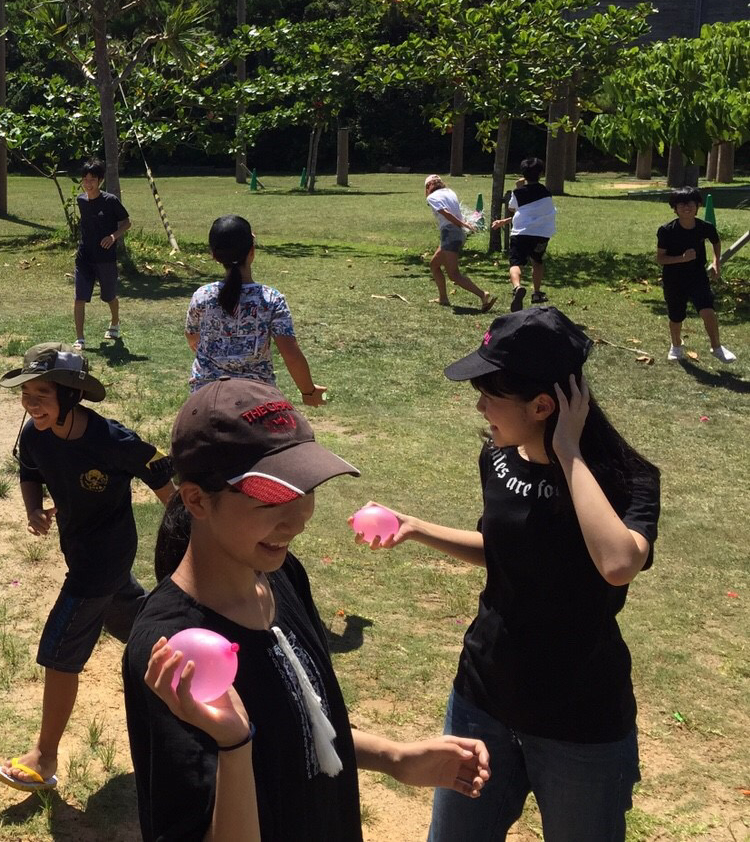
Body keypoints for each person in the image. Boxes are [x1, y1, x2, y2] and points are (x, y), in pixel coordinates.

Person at [125, 378, 491, 841]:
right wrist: (234, 746)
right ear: (197, 499)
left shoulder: (281, 577)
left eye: (305, 489)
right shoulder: (174, 651)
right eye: (272, 499)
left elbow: (299, 726)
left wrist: (393, 757)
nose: (298, 519)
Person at [359, 307, 659, 841]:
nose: (479, 406)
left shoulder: (626, 478)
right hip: (484, 698)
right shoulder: (498, 457)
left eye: (490, 395)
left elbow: (617, 564)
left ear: (543, 405)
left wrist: (566, 451)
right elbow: (509, 552)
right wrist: (417, 527)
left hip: (580, 722)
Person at [0, 343, 175, 793]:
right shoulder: (35, 435)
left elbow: (159, 475)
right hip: (79, 548)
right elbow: (30, 471)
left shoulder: (111, 441)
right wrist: (33, 509)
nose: (30, 403)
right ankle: (195, 665)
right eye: (26, 393)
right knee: (141, 629)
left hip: (106, 554)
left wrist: (187, 532)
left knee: (60, 650)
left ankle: (44, 756)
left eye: (41, 394)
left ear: (70, 397)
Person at [186, 214, 326, 405]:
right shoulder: (271, 300)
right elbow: (290, 354)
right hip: (257, 397)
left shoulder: (202, 296)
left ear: (214, 255)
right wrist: (309, 392)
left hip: (205, 396)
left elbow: (192, 337)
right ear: (252, 251)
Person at [656, 186, 736, 363]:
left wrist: (716, 262)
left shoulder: (704, 227)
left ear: (698, 205)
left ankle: (717, 347)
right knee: (676, 317)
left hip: (698, 276)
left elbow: (716, 242)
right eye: (681, 203)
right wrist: (681, 258)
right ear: (675, 208)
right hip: (674, 279)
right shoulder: (666, 230)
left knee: (708, 311)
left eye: (691, 202)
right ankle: (676, 345)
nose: (687, 207)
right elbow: (660, 258)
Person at [72, 159, 130, 350]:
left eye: (93, 180)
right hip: (84, 257)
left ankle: (115, 322)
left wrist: (113, 236)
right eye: (85, 179)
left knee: (109, 296)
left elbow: (126, 222)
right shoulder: (81, 200)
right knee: (80, 297)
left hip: (105, 258)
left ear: (100, 181)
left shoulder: (110, 201)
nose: (88, 184)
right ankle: (80, 339)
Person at [490, 157, 556, 312]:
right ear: (541, 173)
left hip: (521, 233)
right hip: (542, 234)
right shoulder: (546, 192)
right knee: (537, 261)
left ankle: (518, 287)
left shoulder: (518, 193)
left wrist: (518, 187)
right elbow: (531, 211)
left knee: (515, 264)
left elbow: (513, 209)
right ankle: (537, 293)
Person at [424, 174, 495, 312]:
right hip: (455, 233)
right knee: (434, 265)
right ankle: (443, 298)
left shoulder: (431, 197)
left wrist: (463, 224)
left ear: (428, 187)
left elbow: (445, 213)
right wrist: (463, 225)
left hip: (450, 233)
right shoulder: (450, 192)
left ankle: (482, 294)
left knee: (453, 274)